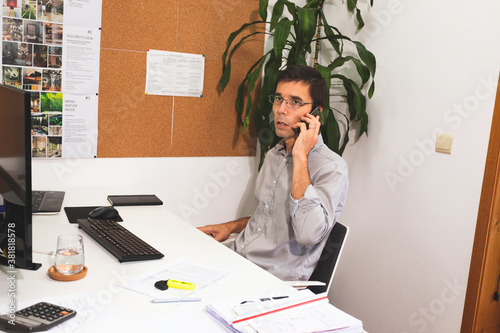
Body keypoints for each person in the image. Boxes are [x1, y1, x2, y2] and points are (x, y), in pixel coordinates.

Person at [198, 65, 349, 281]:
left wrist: (300, 157)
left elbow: (308, 234)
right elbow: (268, 217)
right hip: (239, 259)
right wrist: (230, 227)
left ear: (317, 113)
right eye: (279, 99)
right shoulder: (274, 155)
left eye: (295, 102)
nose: (281, 109)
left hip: (273, 279)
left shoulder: (332, 167)